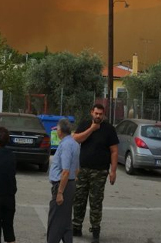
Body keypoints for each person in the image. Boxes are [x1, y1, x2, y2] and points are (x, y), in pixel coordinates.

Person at [71, 103, 119, 243]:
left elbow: (114, 151)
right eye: (96, 113)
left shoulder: (109, 129)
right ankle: (76, 226)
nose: (98, 116)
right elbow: (76, 138)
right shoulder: (86, 124)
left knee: (96, 202)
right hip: (83, 169)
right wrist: (91, 129)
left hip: (100, 171)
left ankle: (95, 230)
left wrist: (113, 171)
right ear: (92, 112)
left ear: (103, 114)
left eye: (100, 114)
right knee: (79, 199)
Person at [47, 118, 80, 243]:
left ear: (60, 131)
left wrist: (60, 192)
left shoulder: (66, 145)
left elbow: (65, 171)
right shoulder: (75, 144)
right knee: (66, 222)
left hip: (62, 185)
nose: (56, 131)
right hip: (70, 184)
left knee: (55, 220)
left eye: (57, 129)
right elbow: (76, 169)